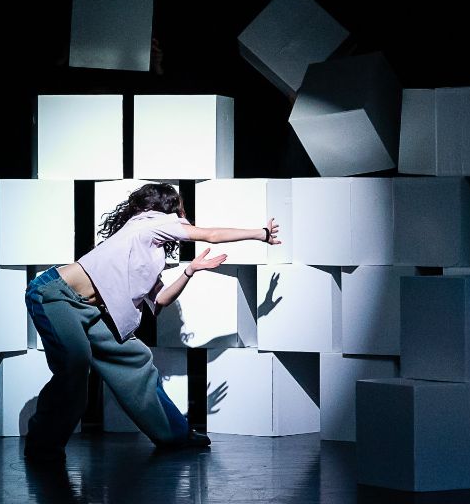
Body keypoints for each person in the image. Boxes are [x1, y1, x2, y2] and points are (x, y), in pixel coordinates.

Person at [22, 182, 281, 460]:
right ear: (168, 208)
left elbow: (160, 299)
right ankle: (42, 448)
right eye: (180, 208)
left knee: (135, 359)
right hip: (54, 295)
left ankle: (174, 434)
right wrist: (261, 233)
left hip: (90, 310)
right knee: (75, 364)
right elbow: (211, 234)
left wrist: (190, 271)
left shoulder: (148, 246)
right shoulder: (151, 223)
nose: (184, 215)